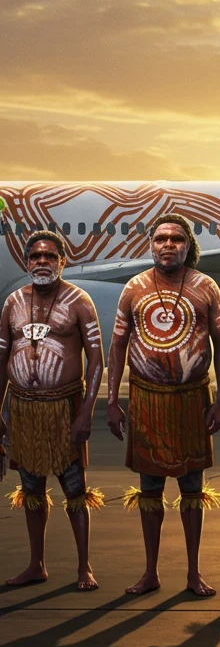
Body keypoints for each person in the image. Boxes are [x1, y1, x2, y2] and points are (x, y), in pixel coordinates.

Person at [107, 213, 220, 596]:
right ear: (151, 244)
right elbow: (117, 347)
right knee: (149, 487)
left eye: (177, 238)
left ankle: (194, 574)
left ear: (189, 246)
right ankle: (150, 573)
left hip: (193, 399)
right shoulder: (134, 288)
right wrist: (112, 400)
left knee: (192, 487)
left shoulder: (206, 287)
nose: (168, 244)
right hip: (146, 399)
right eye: (161, 238)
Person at [0, 230, 104, 590]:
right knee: (31, 489)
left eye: (49, 256)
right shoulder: (13, 302)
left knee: (74, 488)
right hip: (24, 411)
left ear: (63, 261)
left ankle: (83, 568)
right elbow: (1, 359)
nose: (41, 262)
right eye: (34, 256)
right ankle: (36, 565)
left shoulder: (79, 300)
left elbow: (96, 360)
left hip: (64, 408)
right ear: (26, 262)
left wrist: (86, 411)